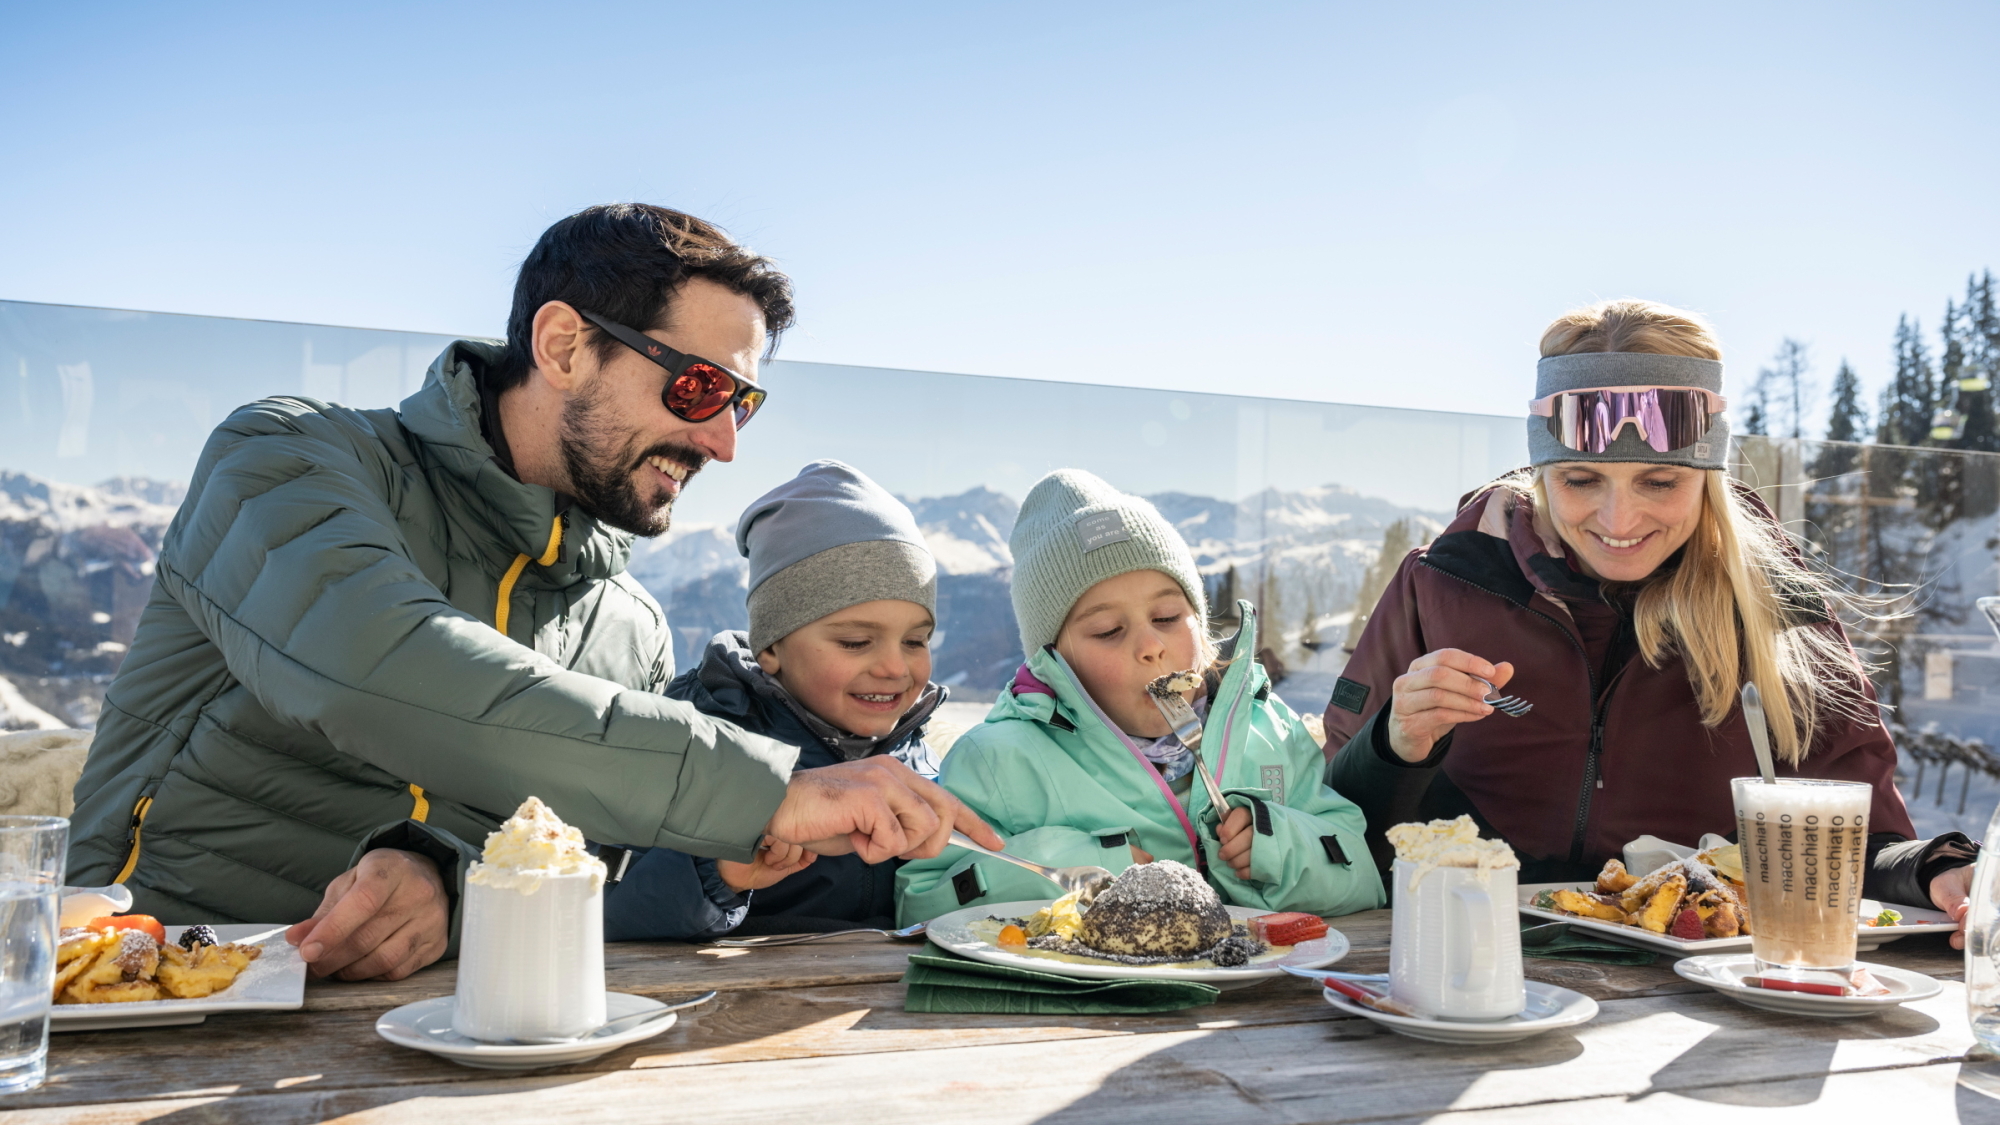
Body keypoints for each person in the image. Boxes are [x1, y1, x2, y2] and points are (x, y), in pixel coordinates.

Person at [64, 204, 1000, 982]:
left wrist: (453, 885)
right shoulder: (289, 458)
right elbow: (376, 667)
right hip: (145, 988)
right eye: (700, 387)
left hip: (452, 1035)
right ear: (563, 345)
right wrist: (768, 789)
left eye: (742, 404)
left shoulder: (629, 627)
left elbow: (576, 879)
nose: (723, 444)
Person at [1324, 298, 1976, 942]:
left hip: (1698, 998)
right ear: (1545, 472)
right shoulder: (1444, 580)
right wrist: (1393, 744)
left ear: (1707, 476)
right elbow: (1326, 831)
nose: (1619, 522)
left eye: (1659, 482)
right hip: (1460, 963)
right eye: (1582, 479)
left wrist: (1935, 869)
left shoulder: (1776, 609)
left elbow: (1852, 841)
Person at [897, 470, 1385, 925]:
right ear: (1056, 664)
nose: (1151, 647)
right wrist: (1076, 871)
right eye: (1109, 630)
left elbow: (1362, 877)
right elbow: (923, 901)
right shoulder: (1000, 762)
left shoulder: (1269, 731)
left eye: (1169, 617)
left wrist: (1280, 849)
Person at [599, 460, 949, 940]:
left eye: (916, 641)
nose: (895, 668)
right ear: (770, 648)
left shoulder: (912, 751)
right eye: (854, 642)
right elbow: (606, 911)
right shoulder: (690, 741)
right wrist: (719, 869)